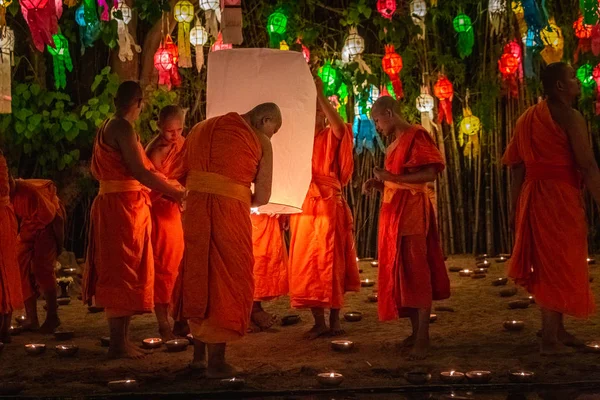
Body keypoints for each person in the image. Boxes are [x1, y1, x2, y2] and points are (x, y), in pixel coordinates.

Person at [170, 103, 281, 378]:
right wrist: (236, 193)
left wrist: (206, 187)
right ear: (265, 119)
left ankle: (198, 357)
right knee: (226, 279)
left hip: (195, 209)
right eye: (273, 130)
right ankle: (217, 363)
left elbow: (178, 171)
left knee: (198, 272)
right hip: (229, 213)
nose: (271, 136)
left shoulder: (199, 128)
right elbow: (264, 196)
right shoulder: (259, 139)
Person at [82, 81, 185, 359]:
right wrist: (176, 192)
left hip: (123, 204)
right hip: (121, 207)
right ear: (138, 103)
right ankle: (118, 342)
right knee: (121, 270)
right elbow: (141, 171)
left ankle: (123, 339)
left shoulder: (111, 125)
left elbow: (137, 161)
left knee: (127, 268)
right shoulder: (122, 127)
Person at [502, 62, 598, 355]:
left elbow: (517, 168)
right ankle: (549, 339)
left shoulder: (526, 118)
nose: (578, 82)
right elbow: (587, 165)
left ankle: (558, 330)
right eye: (572, 77)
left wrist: (514, 205)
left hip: (534, 195)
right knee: (558, 262)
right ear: (559, 86)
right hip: (557, 197)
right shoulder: (570, 117)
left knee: (554, 260)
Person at [364, 96, 450, 360]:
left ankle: (423, 338)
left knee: (417, 272)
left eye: (377, 120)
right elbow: (398, 183)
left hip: (412, 213)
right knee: (404, 274)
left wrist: (392, 178)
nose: (377, 127)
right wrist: (380, 185)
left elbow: (429, 175)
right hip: (394, 215)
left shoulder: (416, 135)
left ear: (389, 113)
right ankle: (415, 332)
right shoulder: (393, 146)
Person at [288, 77, 360, 340]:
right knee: (307, 263)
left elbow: (340, 128)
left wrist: (320, 95)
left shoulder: (331, 134)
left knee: (332, 261)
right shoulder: (298, 141)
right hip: (304, 206)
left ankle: (334, 317)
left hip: (329, 203)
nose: (314, 116)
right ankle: (318, 320)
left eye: (318, 111)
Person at [145, 105, 186, 341]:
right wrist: (178, 191)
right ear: (160, 126)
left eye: (179, 130)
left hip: (178, 212)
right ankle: (163, 324)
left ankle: (180, 319)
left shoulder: (182, 144)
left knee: (181, 266)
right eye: (170, 131)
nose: (175, 135)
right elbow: (157, 183)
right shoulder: (156, 150)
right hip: (161, 212)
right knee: (164, 268)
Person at [10, 178, 65, 333]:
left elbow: (55, 218)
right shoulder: (6, 196)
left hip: (47, 225)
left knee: (42, 269)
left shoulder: (30, 192)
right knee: (19, 264)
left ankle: (52, 316)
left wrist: (59, 245)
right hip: (29, 227)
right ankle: (32, 319)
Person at [249, 213, 289, 331]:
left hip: (267, 213)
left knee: (265, 259)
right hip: (248, 211)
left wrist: (283, 212)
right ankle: (249, 312)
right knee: (253, 259)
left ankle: (255, 308)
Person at [0, 150, 23, 343]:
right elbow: (12, 185)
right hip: (6, 217)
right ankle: (5, 329)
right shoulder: (2, 158)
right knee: (6, 270)